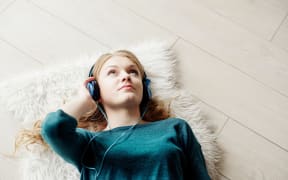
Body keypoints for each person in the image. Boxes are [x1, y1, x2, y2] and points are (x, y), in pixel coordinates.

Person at [17, 50, 211, 180]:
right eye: (112, 73)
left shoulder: (174, 128)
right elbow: (53, 129)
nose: (125, 76)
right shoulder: (89, 144)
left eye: (133, 72)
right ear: (95, 89)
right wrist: (83, 100)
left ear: (145, 88)